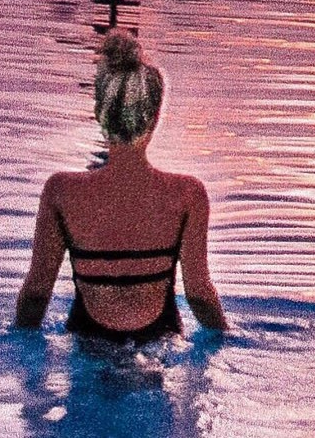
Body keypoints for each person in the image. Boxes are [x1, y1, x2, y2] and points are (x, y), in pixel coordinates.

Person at [16, 29, 227, 339]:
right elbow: (198, 295)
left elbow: (36, 294)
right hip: (160, 340)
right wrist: (225, 332)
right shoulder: (187, 195)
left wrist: (22, 339)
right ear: (155, 117)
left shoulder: (60, 191)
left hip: (87, 341)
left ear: (99, 112)